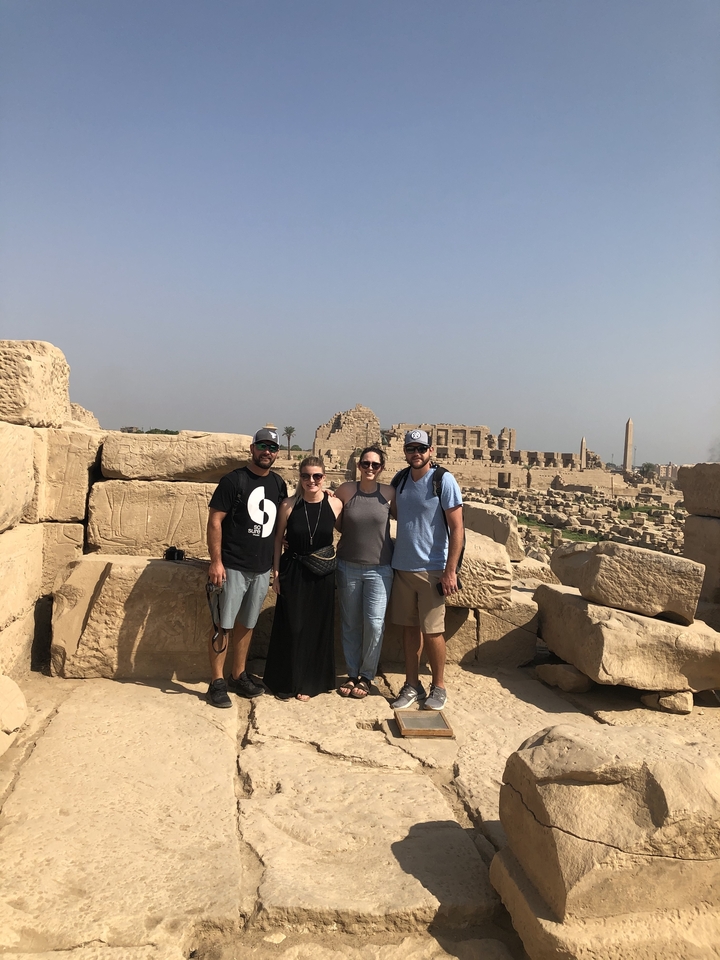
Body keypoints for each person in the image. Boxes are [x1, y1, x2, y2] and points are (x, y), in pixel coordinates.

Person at [205, 428, 287, 708]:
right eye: (262, 446)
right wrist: (216, 562)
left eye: (272, 448)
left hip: (261, 568)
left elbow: (279, 525)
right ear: (252, 449)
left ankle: (238, 675)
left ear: (277, 453)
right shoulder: (234, 481)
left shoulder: (278, 484)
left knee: (247, 624)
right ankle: (216, 681)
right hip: (233, 566)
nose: (267, 452)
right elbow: (215, 521)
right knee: (222, 625)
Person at [389, 429, 464, 711]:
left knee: (433, 631)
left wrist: (450, 570)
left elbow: (457, 527)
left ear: (430, 451)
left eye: (421, 449)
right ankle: (412, 684)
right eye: (411, 449)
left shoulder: (443, 480)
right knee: (409, 629)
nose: (416, 454)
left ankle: (439, 686)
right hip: (403, 566)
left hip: (432, 568)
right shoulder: (401, 480)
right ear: (405, 452)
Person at [263, 456, 343, 701]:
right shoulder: (288, 505)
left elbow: (348, 531)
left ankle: (310, 682)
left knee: (317, 627)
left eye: (317, 476)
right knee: (292, 626)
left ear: (324, 478)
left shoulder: (335, 504)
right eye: (306, 475)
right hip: (294, 570)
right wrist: (275, 574)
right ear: (299, 477)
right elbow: (277, 539)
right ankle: (287, 680)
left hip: (322, 573)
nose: (311, 480)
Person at [334, 445, 395, 700]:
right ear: (358, 465)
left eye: (375, 465)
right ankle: (351, 672)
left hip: (380, 569)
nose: (370, 468)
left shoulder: (390, 494)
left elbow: (408, 521)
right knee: (350, 623)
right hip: (348, 565)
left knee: (374, 623)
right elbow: (334, 520)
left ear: (381, 468)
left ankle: (367, 675)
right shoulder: (346, 490)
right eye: (365, 464)